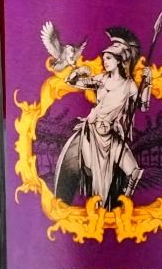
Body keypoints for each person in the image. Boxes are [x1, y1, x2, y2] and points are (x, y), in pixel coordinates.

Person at [53, 27, 152, 210]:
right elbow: (71, 82)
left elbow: (144, 106)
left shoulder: (129, 85)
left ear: (119, 60)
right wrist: (78, 71)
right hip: (92, 133)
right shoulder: (101, 79)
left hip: (111, 135)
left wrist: (147, 83)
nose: (104, 61)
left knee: (134, 171)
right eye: (103, 58)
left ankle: (123, 206)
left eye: (108, 58)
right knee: (94, 179)